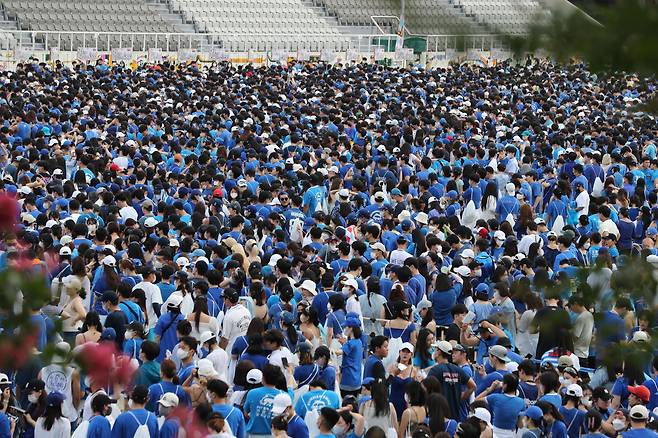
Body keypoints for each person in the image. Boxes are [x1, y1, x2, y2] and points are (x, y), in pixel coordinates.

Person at [427, 341, 476, 420]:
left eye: (435, 349)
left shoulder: (435, 370)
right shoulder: (458, 369)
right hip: (454, 416)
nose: (434, 351)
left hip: (439, 416)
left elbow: (426, 389)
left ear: (439, 352)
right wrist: (459, 398)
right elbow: (473, 386)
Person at [243, 364, 286, 436]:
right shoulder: (284, 395)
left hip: (253, 434)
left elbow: (246, 413)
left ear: (263, 378)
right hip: (275, 434)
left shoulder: (252, 393)